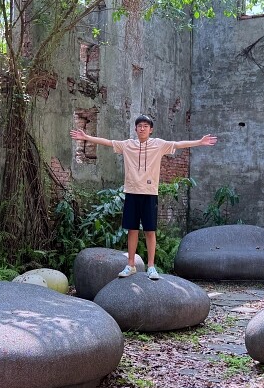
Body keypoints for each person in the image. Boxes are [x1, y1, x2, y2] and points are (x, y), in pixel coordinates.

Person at [70, 115, 218, 280]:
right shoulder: (127, 145)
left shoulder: (158, 144)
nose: (142, 128)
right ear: (136, 129)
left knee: (150, 230)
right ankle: (131, 265)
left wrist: (199, 141)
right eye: (139, 126)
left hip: (149, 194)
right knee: (132, 229)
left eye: (146, 126)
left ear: (150, 129)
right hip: (132, 192)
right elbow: (107, 142)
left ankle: (151, 266)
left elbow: (178, 144)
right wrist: (86, 137)